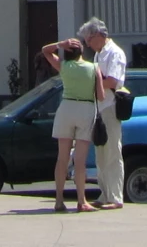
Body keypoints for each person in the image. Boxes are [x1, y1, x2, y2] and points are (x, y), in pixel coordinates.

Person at [40, 36, 97, 213]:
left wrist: (59, 44)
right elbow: (100, 94)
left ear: (67, 52)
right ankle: (82, 200)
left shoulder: (64, 67)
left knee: (62, 158)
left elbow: (45, 50)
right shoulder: (93, 68)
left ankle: (59, 200)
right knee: (79, 160)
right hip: (86, 109)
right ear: (82, 52)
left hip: (66, 108)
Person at [79, 19, 128, 208]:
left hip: (110, 105)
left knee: (113, 152)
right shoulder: (98, 55)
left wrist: (91, 85)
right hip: (98, 108)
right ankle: (105, 193)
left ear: (100, 35)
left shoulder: (114, 53)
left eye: (89, 40)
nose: (88, 44)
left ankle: (116, 197)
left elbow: (113, 81)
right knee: (100, 151)